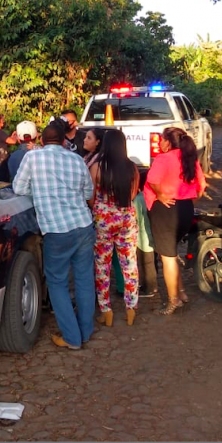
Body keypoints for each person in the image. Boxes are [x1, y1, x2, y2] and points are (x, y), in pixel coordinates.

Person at [13, 124, 96, 350]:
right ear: (62, 141)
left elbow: (18, 188)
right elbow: (89, 193)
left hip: (57, 230)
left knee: (57, 283)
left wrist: (39, 191)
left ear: (41, 140)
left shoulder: (32, 158)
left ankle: (72, 338)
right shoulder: (77, 159)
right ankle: (86, 331)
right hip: (83, 225)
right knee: (84, 279)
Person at [144, 127, 206, 315]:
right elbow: (202, 185)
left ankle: (173, 301)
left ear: (168, 142)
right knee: (172, 252)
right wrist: (188, 202)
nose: (159, 143)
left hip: (166, 210)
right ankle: (181, 292)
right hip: (185, 209)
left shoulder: (164, 158)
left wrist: (161, 194)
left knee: (168, 257)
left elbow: (152, 179)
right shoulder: (189, 158)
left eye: (162, 139)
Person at [89, 129, 140, 326]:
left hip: (103, 218)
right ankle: (131, 308)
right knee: (130, 264)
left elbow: (91, 197)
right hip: (126, 217)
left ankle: (106, 310)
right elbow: (133, 194)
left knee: (102, 266)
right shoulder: (132, 168)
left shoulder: (97, 168)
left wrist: (101, 209)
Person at [133, 171, 158, 298]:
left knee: (145, 264)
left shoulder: (138, 199)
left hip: (142, 238)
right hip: (155, 235)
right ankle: (152, 284)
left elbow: (134, 218)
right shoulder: (156, 196)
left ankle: (150, 289)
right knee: (153, 262)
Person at [0, 112, 19, 181]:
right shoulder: (0, 133)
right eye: (2, 121)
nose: (4, 122)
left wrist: (12, 136)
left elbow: (5, 141)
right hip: (1, 161)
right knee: (3, 180)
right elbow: (12, 142)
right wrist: (17, 136)